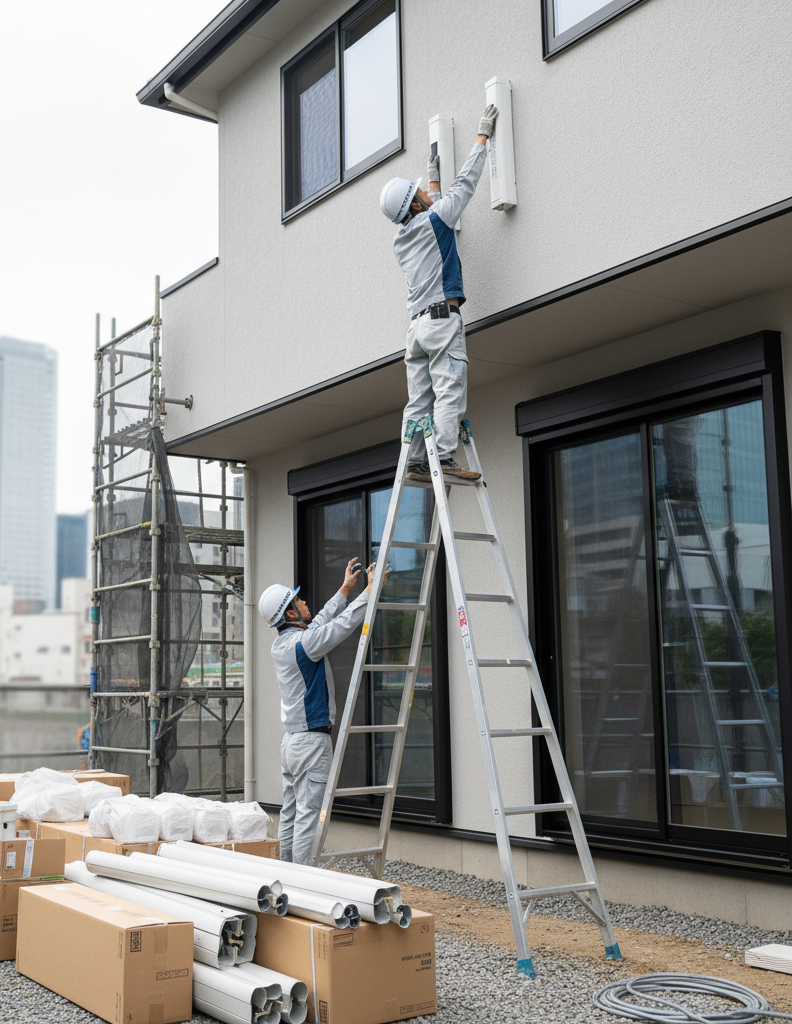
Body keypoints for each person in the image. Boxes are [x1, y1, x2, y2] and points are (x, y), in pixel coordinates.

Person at [379, 103, 498, 481]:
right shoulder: (436, 218)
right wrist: (482, 136)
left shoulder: (402, 239)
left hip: (416, 331)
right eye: (421, 192)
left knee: (421, 399)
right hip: (442, 322)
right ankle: (443, 459)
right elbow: (462, 188)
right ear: (415, 203)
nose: (427, 193)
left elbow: (432, 209)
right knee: (449, 390)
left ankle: (415, 460)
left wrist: (431, 181)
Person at [257, 559, 377, 864]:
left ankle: (285, 875)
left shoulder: (286, 643)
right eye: (297, 600)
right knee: (309, 816)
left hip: (292, 744)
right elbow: (342, 626)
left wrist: (345, 589)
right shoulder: (303, 644)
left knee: (291, 812)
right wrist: (369, 593)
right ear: (290, 613)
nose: (304, 600)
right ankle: (302, 884)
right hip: (311, 743)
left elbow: (320, 622)